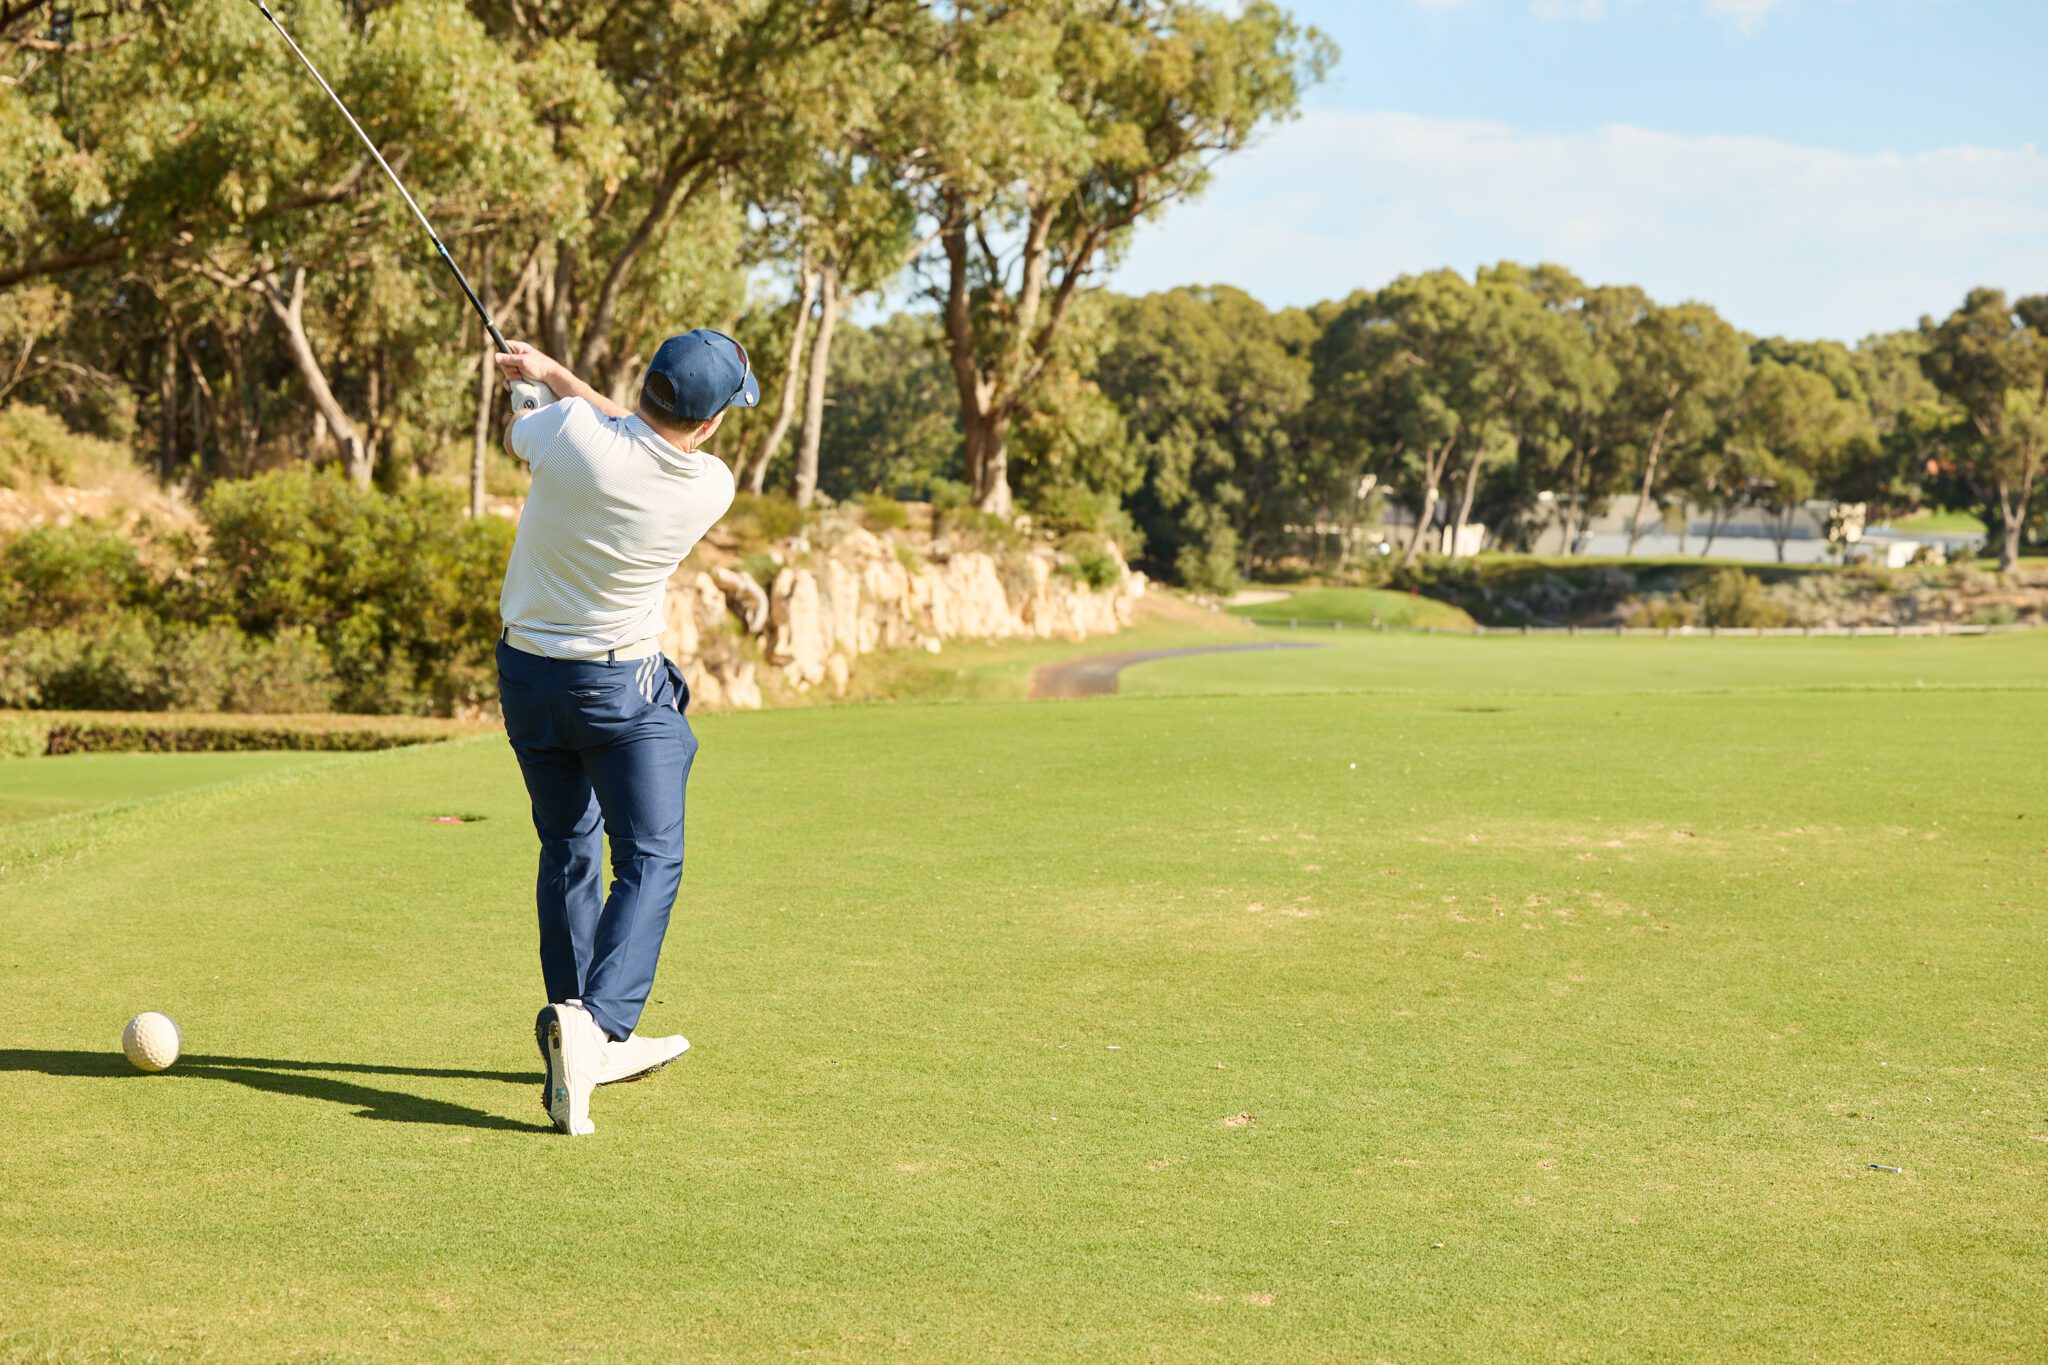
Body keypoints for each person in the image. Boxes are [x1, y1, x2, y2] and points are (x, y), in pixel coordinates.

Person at [491, 330, 754, 1136]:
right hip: (618, 689)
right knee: (650, 854)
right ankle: (599, 1027)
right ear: (710, 422)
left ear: (648, 385)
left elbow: (582, 429)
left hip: (527, 679)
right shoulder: (712, 484)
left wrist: (538, 383)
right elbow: (638, 435)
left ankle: (574, 1027)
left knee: (568, 846)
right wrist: (558, 377)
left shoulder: (567, 434)